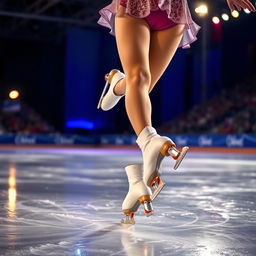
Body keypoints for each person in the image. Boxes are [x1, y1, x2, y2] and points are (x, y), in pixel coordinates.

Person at [96, 0, 256, 224]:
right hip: (136, 5)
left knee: (142, 85)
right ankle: (148, 139)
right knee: (139, 78)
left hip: (173, 11)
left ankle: (117, 84)